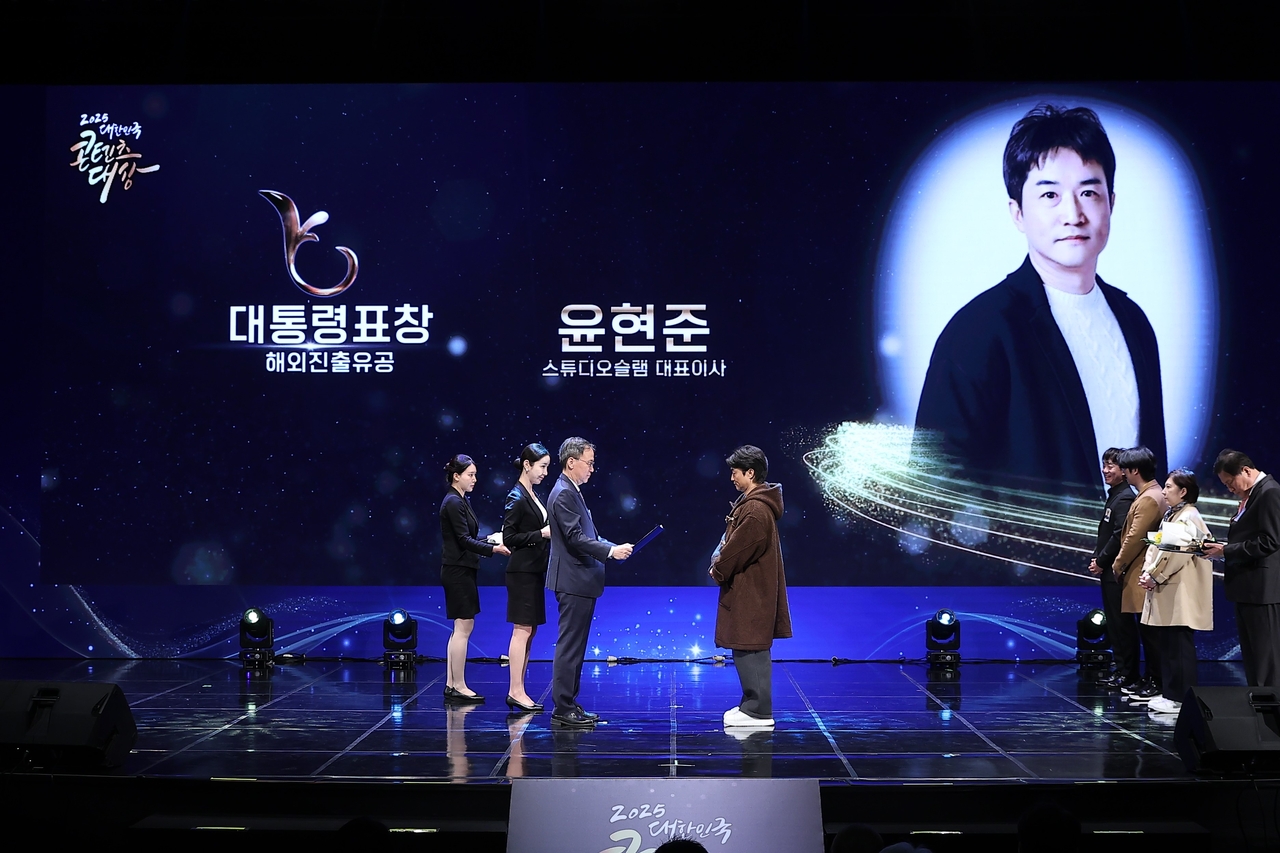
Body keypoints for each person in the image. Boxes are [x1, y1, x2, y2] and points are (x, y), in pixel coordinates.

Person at [915, 104, 1165, 495]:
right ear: (1017, 213)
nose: (1073, 213)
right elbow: (933, 489)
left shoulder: (1134, 322)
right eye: (1049, 194)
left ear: (1111, 203)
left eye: (1088, 192)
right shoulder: (979, 330)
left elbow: (1155, 478)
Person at [545, 437, 633, 727]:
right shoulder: (563, 493)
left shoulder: (571, 491)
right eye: (589, 463)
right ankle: (563, 707)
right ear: (572, 462)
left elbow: (588, 535)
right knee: (570, 646)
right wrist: (609, 551)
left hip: (580, 580)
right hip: (573, 580)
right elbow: (574, 538)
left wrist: (612, 547)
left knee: (576, 646)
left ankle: (569, 703)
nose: (592, 469)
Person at [710, 445, 792, 728]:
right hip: (749, 590)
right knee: (745, 647)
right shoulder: (752, 504)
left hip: (753, 592)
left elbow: (738, 550)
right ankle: (750, 705)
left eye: (735, 472)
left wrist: (718, 568)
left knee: (751, 647)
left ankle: (758, 711)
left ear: (750, 473)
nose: (731, 477)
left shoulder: (756, 509)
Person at [1138, 468, 1213, 714]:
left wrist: (1154, 576)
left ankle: (1181, 698)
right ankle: (1171, 694)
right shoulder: (1173, 514)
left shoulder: (1188, 516)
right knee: (1170, 645)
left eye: (1169, 486)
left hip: (1180, 591)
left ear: (1183, 491)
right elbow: (1157, 548)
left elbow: (1175, 555)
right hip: (1168, 588)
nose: (1164, 491)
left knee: (1179, 646)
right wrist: (1148, 572)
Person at [1203, 449, 1280, 687]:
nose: (1229, 489)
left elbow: (1270, 541)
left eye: (1230, 482)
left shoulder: (1269, 492)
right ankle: (1258, 701)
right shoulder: (1253, 494)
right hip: (1248, 589)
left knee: (1266, 658)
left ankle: (1270, 706)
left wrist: (1226, 551)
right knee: (1254, 657)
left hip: (1262, 590)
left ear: (1245, 471)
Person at [439, 454, 510, 702]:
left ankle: (452, 683)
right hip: (457, 570)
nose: (474, 479)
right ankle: (458, 685)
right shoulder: (453, 502)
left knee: (461, 627)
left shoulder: (460, 500)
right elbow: (463, 541)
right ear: (456, 476)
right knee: (464, 626)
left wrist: (489, 539)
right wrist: (493, 548)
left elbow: (467, 538)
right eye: (470, 475)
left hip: (461, 568)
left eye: (475, 475)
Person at [1110, 446, 1169, 702]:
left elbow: (1134, 538)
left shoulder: (1148, 498)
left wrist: (1118, 564)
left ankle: (1156, 680)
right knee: (1147, 630)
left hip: (1140, 571)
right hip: (1142, 571)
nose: (1123, 473)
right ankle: (1151, 677)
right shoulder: (1151, 494)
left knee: (1150, 632)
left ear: (1135, 470)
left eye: (1124, 468)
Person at [502, 442, 553, 714]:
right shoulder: (516, 496)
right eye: (542, 467)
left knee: (530, 630)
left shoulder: (532, 494)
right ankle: (515, 690)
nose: (545, 472)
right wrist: (541, 534)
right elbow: (509, 537)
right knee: (521, 630)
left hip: (534, 570)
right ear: (527, 465)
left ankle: (519, 689)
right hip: (521, 571)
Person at [1088, 448, 1137, 687]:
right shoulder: (1115, 495)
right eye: (1104, 465)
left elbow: (1120, 535)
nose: (1105, 470)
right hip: (1108, 570)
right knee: (1115, 624)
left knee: (1122, 624)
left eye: (1111, 466)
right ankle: (1121, 669)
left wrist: (1101, 561)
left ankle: (1128, 673)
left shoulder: (1125, 497)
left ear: (1124, 471)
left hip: (1117, 571)